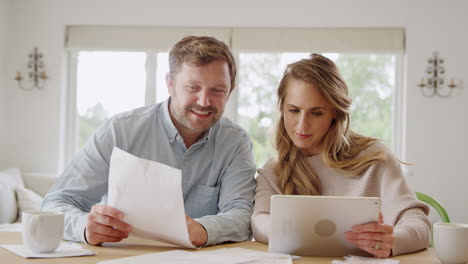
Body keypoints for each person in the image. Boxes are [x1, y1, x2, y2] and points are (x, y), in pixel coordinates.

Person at [42, 36, 256, 247]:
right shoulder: (119, 132)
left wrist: (204, 230)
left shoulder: (235, 143)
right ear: (170, 84)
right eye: (192, 87)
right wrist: (84, 227)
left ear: (231, 90)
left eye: (217, 90)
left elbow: (241, 214)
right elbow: (55, 204)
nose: (204, 101)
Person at [251, 54, 431, 258]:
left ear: (335, 113)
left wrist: (392, 241)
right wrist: (288, 232)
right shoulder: (273, 170)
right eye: (293, 110)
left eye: (316, 113)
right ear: (282, 108)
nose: (302, 125)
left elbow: (418, 223)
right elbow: (259, 220)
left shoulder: (376, 160)